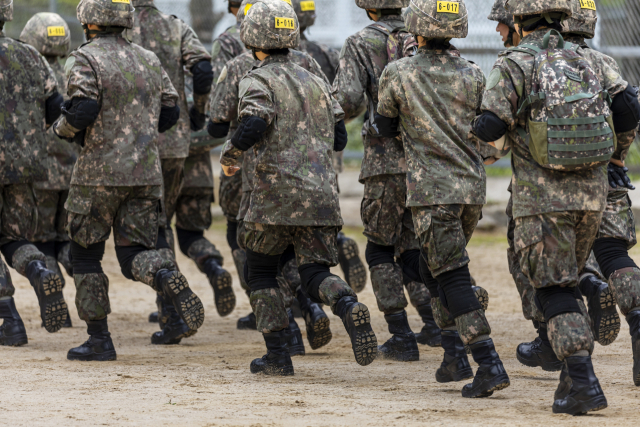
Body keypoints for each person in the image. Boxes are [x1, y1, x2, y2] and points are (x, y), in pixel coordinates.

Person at [474, 0, 639, 413]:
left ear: (518, 19)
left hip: (541, 200)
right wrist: (616, 159)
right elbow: (628, 109)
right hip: (593, 197)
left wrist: (479, 134)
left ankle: (584, 385)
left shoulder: (515, 62)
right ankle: (570, 381)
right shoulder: (593, 59)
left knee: (555, 289)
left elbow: (491, 125)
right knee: (573, 281)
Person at [220, 0, 377, 375]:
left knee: (260, 272)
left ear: (252, 37)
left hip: (272, 199)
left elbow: (255, 122)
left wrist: (233, 151)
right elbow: (340, 137)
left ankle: (278, 355)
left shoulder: (255, 78)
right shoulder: (317, 79)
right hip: (322, 197)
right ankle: (346, 305)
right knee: (313, 273)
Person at [53, 0, 205, 361]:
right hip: (146, 174)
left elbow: (84, 107)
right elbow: (170, 111)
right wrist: (140, 134)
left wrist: (63, 128)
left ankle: (99, 340)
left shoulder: (85, 57)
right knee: (134, 252)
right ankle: (165, 275)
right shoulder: (148, 58)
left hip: (98, 176)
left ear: (88, 19)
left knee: (86, 255)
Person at [376, 0, 510, 398]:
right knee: (431, 268)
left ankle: (487, 361)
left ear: (416, 28)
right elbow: (490, 128)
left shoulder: (398, 72)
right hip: (471, 189)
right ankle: (453, 354)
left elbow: (383, 126)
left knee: (447, 274)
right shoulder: (472, 73)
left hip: (432, 194)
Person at [207, 0, 332, 354]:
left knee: (256, 257)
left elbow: (220, 123)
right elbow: (337, 131)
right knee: (300, 256)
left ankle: (283, 338)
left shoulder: (240, 68)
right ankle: (316, 304)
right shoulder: (309, 64)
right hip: (316, 182)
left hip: (259, 180)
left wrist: (229, 152)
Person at [128, 0, 229, 344]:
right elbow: (202, 70)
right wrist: (197, 114)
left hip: (131, 145)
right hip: (175, 143)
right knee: (165, 224)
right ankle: (176, 305)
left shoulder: (117, 27)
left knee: (151, 229)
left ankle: (171, 312)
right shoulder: (175, 27)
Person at [0, 0, 67, 345]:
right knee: (13, 238)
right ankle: (40, 270)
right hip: (25, 166)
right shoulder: (30, 56)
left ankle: (9, 321)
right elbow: (57, 108)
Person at [290, 0, 368, 294]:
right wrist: (335, 123)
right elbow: (352, 99)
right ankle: (341, 241)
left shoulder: (271, 57)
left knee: (292, 220)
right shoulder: (325, 53)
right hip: (326, 151)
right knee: (324, 210)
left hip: (287, 153)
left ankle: (302, 293)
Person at [19, 12, 76, 328]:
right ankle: (81, 286)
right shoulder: (74, 71)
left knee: (40, 242)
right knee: (67, 240)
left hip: (39, 173)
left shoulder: (27, 71)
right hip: (72, 173)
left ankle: (56, 305)